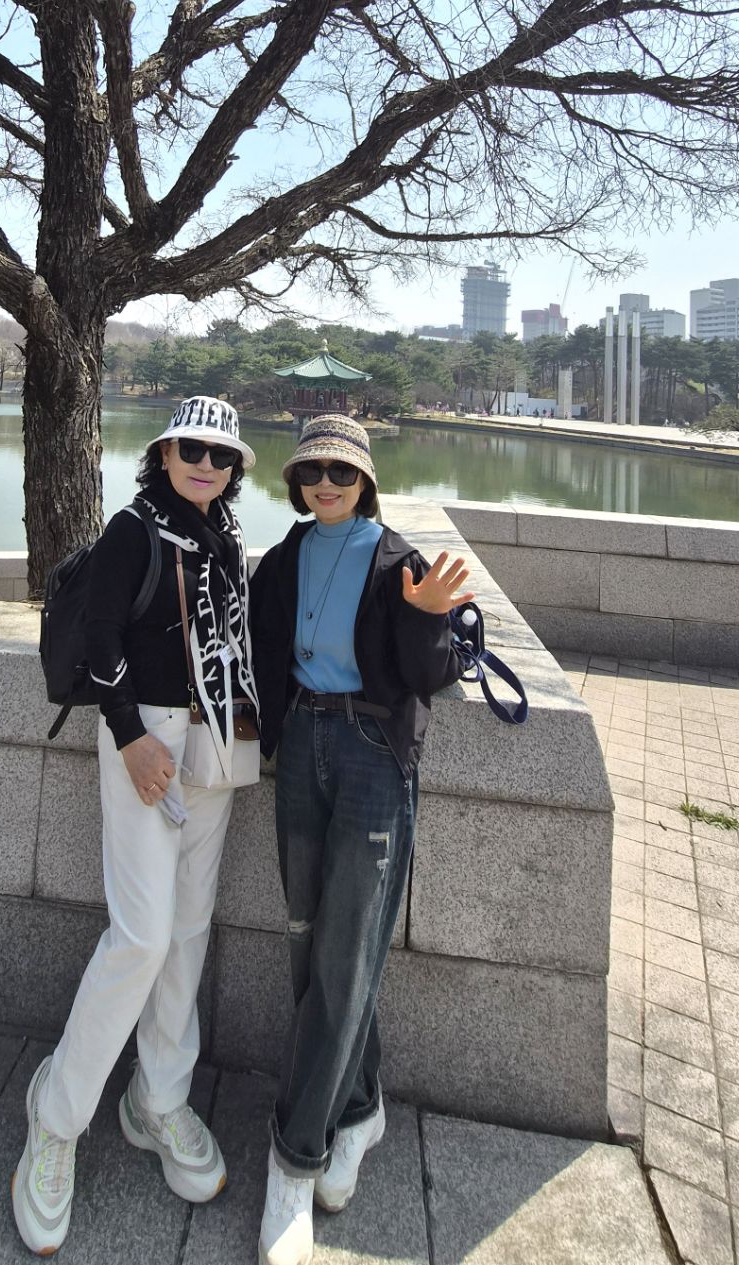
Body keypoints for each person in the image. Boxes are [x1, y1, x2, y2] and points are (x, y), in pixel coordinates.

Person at [12, 396, 259, 1255]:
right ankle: (56, 1114)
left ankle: (158, 1098)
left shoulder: (225, 536)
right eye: (192, 449)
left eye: (222, 455)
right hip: (146, 737)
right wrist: (130, 737)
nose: (206, 464)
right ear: (164, 452)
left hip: (215, 738)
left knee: (188, 929)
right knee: (143, 934)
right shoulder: (135, 526)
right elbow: (101, 634)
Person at [250, 415, 473, 1265]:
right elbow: (259, 644)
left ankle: (293, 1160)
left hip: (373, 752)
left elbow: (431, 674)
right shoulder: (285, 557)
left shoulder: (397, 559)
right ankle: (361, 1104)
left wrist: (428, 617)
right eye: (312, 472)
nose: (325, 485)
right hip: (302, 743)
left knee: (344, 949)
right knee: (311, 940)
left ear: (365, 479)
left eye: (341, 472)